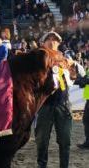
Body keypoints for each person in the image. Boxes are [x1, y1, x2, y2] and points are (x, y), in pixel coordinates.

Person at [35, 31, 85, 168]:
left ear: (59, 43)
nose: (52, 42)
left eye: (55, 40)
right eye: (49, 39)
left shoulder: (65, 58)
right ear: (42, 43)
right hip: (44, 105)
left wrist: (73, 64)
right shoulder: (37, 58)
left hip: (63, 104)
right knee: (41, 140)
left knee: (65, 141)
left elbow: (79, 75)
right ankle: (42, 166)